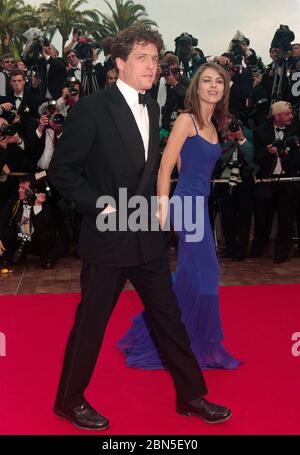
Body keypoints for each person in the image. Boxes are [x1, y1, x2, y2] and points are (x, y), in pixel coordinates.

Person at [48, 24, 231, 432]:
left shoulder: (153, 108)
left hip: (146, 235)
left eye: (154, 58)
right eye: (142, 58)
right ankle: (69, 400)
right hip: (109, 238)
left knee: (169, 318)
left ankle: (190, 395)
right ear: (120, 64)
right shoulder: (91, 109)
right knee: (91, 325)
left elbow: (151, 174)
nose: (151, 66)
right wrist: (99, 204)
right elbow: (63, 171)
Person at [118, 63, 241, 370]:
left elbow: (192, 166)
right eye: (207, 81)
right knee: (208, 275)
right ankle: (208, 346)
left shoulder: (213, 125)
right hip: (186, 205)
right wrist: (163, 206)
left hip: (199, 204)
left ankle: (160, 333)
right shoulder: (187, 120)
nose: (213, 86)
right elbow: (165, 166)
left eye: (219, 82)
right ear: (196, 87)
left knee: (189, 275)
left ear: (225, 90)